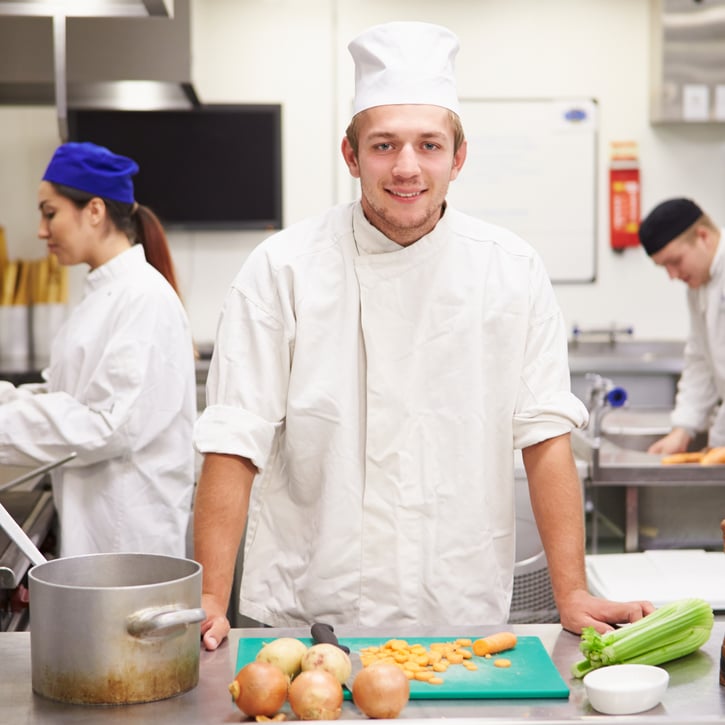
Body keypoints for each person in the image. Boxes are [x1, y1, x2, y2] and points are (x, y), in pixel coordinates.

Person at [193, 21, 654, 651]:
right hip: (308, 615)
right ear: (351, 155)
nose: (407, 167)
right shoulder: (282, 270)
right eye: (383, 145)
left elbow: (545, 436)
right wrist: (210, 600)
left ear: (458, 157)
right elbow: (232, 441)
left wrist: (570, 591)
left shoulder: (510, 271)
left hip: (457, 605)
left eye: (428, 145)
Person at [0, 141, 197, 557]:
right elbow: (68, 399)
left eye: (50, 213)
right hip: (102, 541)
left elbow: (108, 425)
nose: (41, 230)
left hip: (131, 547)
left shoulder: (142, 297)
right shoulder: (103, 298)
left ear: (94, 210)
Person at [638, 198, 725, 455]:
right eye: (664, 266)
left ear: (703, 236)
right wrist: (683, 429)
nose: (672, 275)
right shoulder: (700, 285)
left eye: (674, 261)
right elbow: (701, 360)